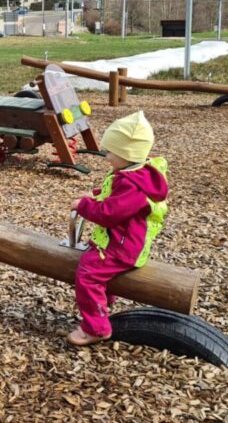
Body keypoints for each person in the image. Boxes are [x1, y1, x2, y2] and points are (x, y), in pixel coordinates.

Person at [68, 110, 167, 346]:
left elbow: (109, 214)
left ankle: (96, 328)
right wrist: (94, 195)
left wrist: (83, 205)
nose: (107, 156)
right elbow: (113, 196)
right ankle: (103, 305)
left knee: (88, 274)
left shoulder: (133, 186)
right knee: (96, 267)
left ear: (127, 154)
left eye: (111, 151)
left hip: (121, 247)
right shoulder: (133, 172)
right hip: (122, 240)